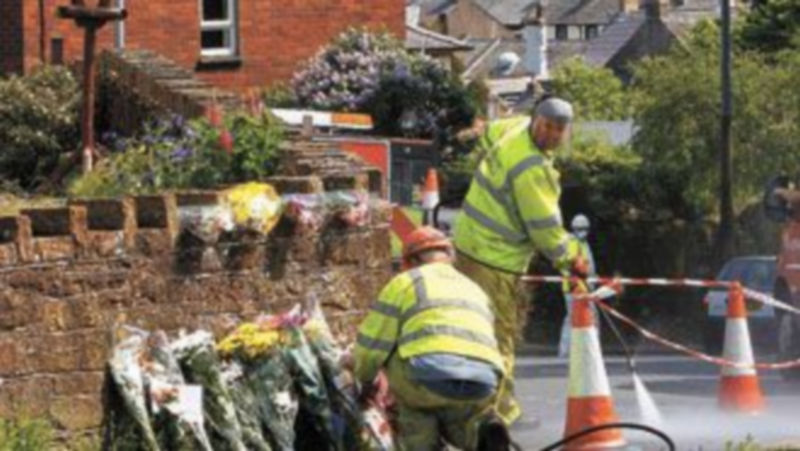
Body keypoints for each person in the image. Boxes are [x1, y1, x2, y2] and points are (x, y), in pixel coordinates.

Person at [452, 96, 587, 424]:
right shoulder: (532, 169)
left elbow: (486, 133)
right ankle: (499, 414)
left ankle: (469, 406)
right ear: (536, 122)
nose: (552, 135)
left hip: (468, 246)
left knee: (470, 329)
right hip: (495, 260)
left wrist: (471, 131)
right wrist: (573, 260)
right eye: (547, 127)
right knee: (500, 336)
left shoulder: (513, 128)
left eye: (558, 129)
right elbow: (544, 229)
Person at [354, 227, 508, 451]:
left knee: (414, 406)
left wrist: (365, 380)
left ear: (412, 260)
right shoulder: (475, 289)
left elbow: (371, 346)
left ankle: (423, 444)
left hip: (424, 378)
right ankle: (479, 433)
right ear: (449, 256)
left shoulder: (405, 282)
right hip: (483, 379)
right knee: (460, 413)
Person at [558, 214, 597, 358]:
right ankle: (571, 351)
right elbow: (569, 264)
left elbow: (588, 265)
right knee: (576, 318)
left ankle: (572, 350)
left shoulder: (583, 243)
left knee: (576, 318)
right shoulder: (571, 243)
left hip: (584, 287)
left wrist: (593, 277)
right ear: (574, 228)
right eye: (580, 228)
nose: (583, 231)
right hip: (575, 287)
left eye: (585, 228)